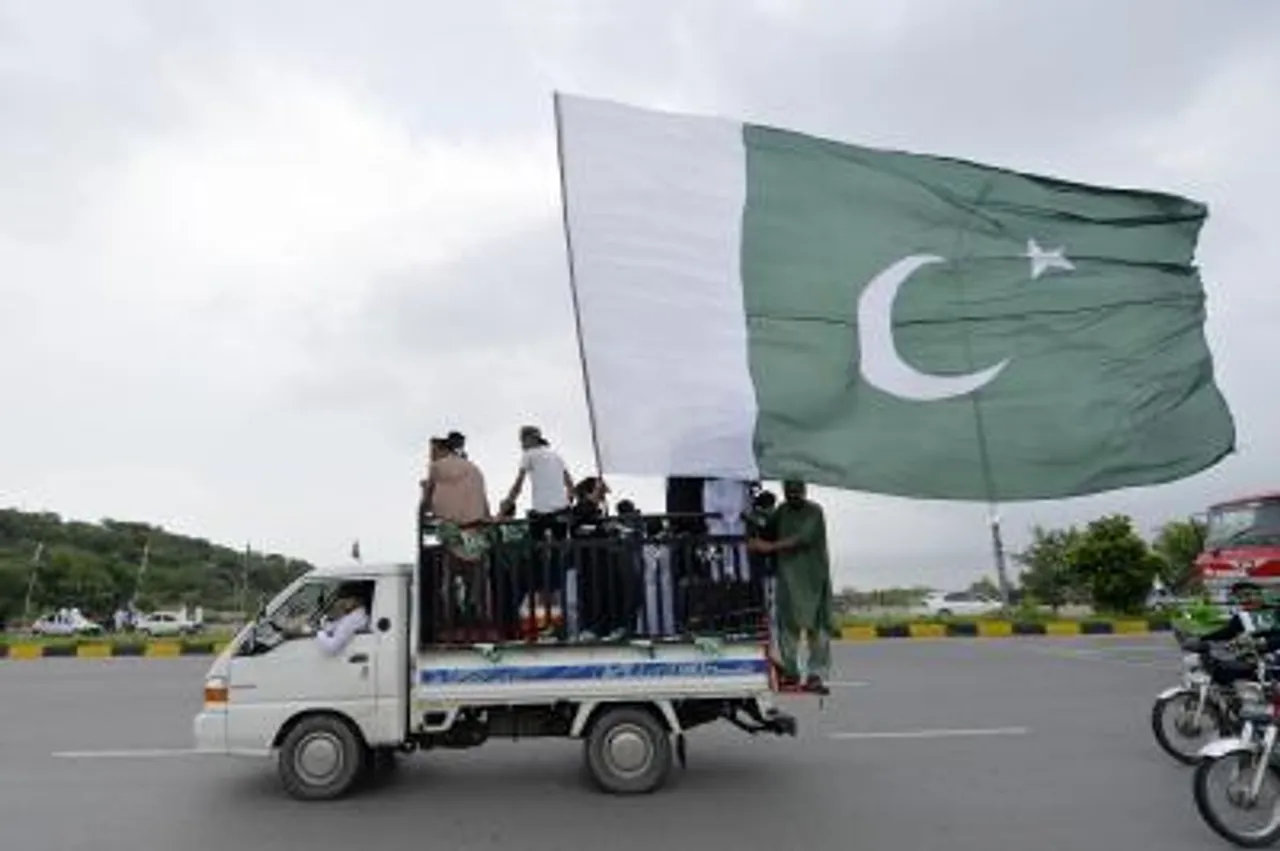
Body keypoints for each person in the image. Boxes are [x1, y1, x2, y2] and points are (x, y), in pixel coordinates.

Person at [748, 480, 833, 694]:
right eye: (789, 491)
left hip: (812, 579)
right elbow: (767, 529)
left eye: (796, 491)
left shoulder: (814, 511)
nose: (793, 495)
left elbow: (802, 539)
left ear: (804, 491)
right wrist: (753, 514)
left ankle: (816, 674)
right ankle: (791, 672)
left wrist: (768, 547)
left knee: (817, 628)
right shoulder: (782, 511)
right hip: (787, 579)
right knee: (788, 628)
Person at [314, 584, 371, 656]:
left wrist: (316, 633)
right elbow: (337, 625)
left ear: (356, 599)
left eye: (346, 598)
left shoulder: (354, 619)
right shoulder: (357, 613)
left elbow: (332, 647)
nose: (341, 601)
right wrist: (324, 624)